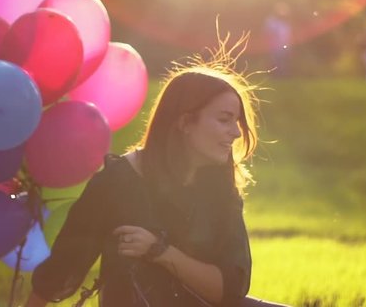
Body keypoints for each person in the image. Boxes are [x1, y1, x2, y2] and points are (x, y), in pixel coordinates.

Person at [25, 38, 290, 307]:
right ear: (185, 122)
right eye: (224, 119)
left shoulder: (220, 187)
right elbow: (61, 270)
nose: (235, 132)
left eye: (237, 121)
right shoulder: (118, 181)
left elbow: (230, 289)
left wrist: (160, 252)